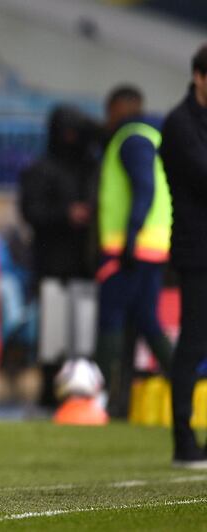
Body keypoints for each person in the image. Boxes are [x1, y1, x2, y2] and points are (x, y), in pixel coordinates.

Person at [94, 85, 173, 417]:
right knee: (146, 321)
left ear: (122, 107)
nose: (107, 119)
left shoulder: (131, 138)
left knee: (110, 320)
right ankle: (185, 389)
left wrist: (129, 236)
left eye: (109, 110)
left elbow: (144, 187)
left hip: (130, 249)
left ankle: (100, 401)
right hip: (152, 248)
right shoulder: (150, 137)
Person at [19, 104, 100, 408]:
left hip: (84, 264)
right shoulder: (41, 169)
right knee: (53, 337)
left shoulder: (90, 167)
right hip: (52, 264)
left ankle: (81, 396)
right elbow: (31, 211)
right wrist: (66, 214)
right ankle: (50, 396)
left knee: (83, 336)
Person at [159, 44, 207, 469]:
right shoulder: (179, 124)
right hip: (197, 250)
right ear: (198, 76)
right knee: (192, 344)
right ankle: (183, 440)